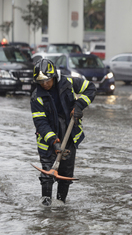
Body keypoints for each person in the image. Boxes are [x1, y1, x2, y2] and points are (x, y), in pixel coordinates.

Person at [30, 59, 96, 206]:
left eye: (47, 80)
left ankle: (61, 205)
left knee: (65, 174)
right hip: (48, 140)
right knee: (47, 174)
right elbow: (41, 123)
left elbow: (91, 88)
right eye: (41, 82)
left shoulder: (68, 83)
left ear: (53, 76)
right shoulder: (36, 96)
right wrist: (54, 141)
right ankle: (45, 206)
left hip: (69, 134)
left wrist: (79, 105)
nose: (45, 84)